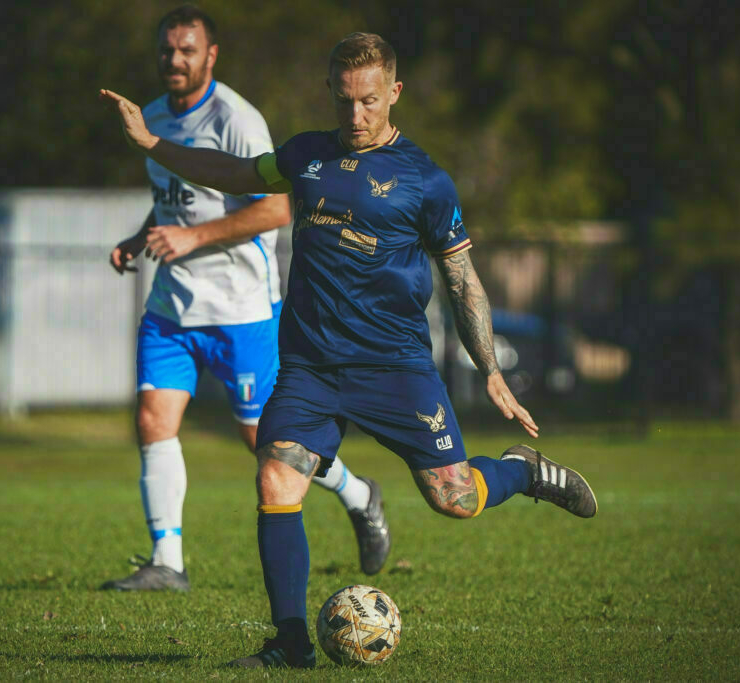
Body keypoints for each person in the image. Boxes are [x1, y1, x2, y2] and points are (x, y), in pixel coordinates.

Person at [100, 30, 597, 668]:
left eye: (368, 101)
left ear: (394, 92)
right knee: (277, 475)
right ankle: (289, 644)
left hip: (395, 366)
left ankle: (522, 472)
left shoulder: (425, 180)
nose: (355, 116)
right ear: (330, 93)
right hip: (310, 365)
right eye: (343, 101)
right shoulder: (306, 154)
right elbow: (235, 173)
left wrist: (491, 371)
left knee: (456, 499)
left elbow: (461, 279)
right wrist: (153, 144)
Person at [100, 8, 391, 594]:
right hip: (172, 308)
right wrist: (142, 238)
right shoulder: (153, 118)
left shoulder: (235, 119)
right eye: (167, 50)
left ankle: (359, 495)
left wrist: (191, 238)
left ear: (210, 56)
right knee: (153, 421)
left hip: (242, 311)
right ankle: (168, 562)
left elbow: (278, 207)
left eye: (188, 51)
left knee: (269, 444)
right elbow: (174, 200)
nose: (175, 60)